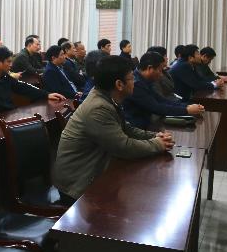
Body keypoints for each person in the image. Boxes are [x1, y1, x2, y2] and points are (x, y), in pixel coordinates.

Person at [53, 55, 174, 205]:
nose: (135, 82)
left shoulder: (106, 97)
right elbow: (123, 147)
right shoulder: (98, 108)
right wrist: (158, 144)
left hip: (95, 170)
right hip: (78, 185)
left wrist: (155, 136)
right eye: (131, 78)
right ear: (119, 84)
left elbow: (126, 129)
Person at [0, 47, 65, 117]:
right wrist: (19, 113)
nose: (11, 65)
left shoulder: (3, 76)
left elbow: (22, 87)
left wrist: (46, 95)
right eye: (8, 61)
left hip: (7, 116)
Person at [123, 52, 205, 129]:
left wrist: (187, 106)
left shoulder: (144, 80)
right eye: (160, 70)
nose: (161, 74)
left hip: (147, 123)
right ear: (150, 68)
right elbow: (156, 107)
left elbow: (161, 100)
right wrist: (186, 110)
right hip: (137, 128)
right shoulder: (136, 84)